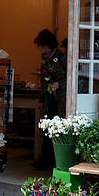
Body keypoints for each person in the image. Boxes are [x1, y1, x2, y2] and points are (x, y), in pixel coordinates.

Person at [33, 29, 66, 169]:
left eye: (39, 45)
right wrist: (41, 100)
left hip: (60, 99)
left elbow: (71, 76)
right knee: (47, 129)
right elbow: (43, 81)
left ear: (45, 45)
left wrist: (59, 84)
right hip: (49, 99)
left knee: (59, 129)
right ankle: (45, 159)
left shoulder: (61, 57)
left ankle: (58, 160)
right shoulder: (45, 59)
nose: (38, 48)